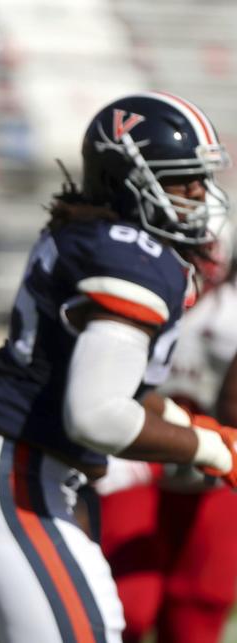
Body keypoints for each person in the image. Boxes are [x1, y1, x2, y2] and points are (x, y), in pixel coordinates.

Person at [0, 92, 237, 643]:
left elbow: (120, 392)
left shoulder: (90, 235)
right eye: (183, 181)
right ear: (129, 181)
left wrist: (199, 430)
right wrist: (213, 449)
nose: (200, 197)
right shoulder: (135, 255)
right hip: (10, 467)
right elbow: (99, 417)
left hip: (3, 464)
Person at [95, 215, 237, 643]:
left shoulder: (229, 315)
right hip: (136, 458)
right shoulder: (128, 290)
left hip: (212, 472)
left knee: (195, 617)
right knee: (127, 609)